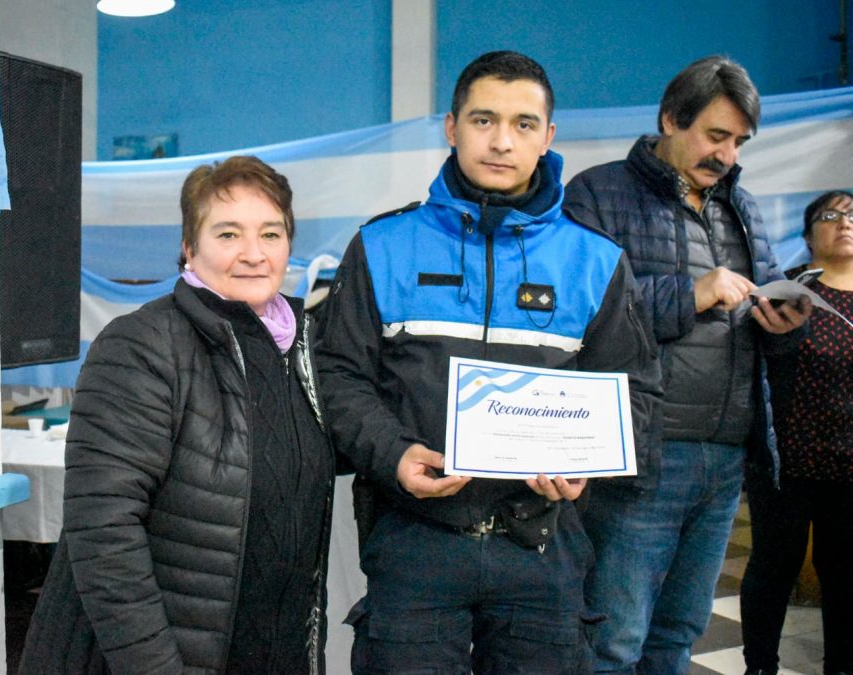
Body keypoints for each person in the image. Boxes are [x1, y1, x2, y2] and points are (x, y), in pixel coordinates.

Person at [315, 50, 661, 674]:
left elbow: (635, 395)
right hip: (413, 540)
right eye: (483, 120)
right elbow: (337, 375)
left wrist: (584, 463)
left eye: (524, 124)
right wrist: (392, 453)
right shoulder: (382, 245)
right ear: (452, 128)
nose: (502, 141)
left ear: (548, 137)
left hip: (545, 545)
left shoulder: (596, 261)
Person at [18, 156, 336, 674]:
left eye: (271, 234)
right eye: (228, 234)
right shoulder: (140, 346)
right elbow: (103, 533)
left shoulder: (300, 351)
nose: (254, 254)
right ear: (190, 247)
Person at [563, 55, 811, 674]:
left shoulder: (743, 208)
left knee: (678, 634)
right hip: (641, 453)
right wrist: (689, 293)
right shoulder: (597, 194)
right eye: (715, 135)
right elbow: (574, 315)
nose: (727, 154)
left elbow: (768, 293)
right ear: (671, 119)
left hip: (726, 456)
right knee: (614, 637)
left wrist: (782, 326)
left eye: (739, 141)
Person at [739, 190, 853, 675]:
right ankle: (759, 665)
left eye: (852, 216)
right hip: (785, 459)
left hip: (850, 465)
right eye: (830, 215)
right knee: (772, 569)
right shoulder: (783, 291)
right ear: (808, 236)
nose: (844, 223)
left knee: (845, 573)